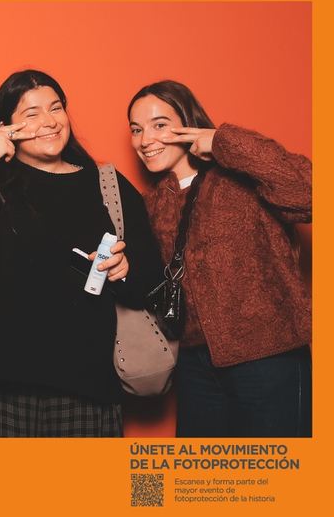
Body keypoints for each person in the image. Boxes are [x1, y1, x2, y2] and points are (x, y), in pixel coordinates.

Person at [0, 70, 163, 437]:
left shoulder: (107, 185)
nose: (49, 121)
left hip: (86, 382)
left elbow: (150, 271)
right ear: (6, 128)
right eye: (31, 113)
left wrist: (125, 267)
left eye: (55, 108)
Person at [127, 80, 312, 437]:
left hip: (267, 354)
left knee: (273, 471)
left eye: (159, 124)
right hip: (195, 365)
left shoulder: (241, 178)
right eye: (136, 130)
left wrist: (222, 141)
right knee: (203, 472)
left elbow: (308, 193)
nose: (146, 139)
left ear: (189, 123)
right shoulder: (149, 204)